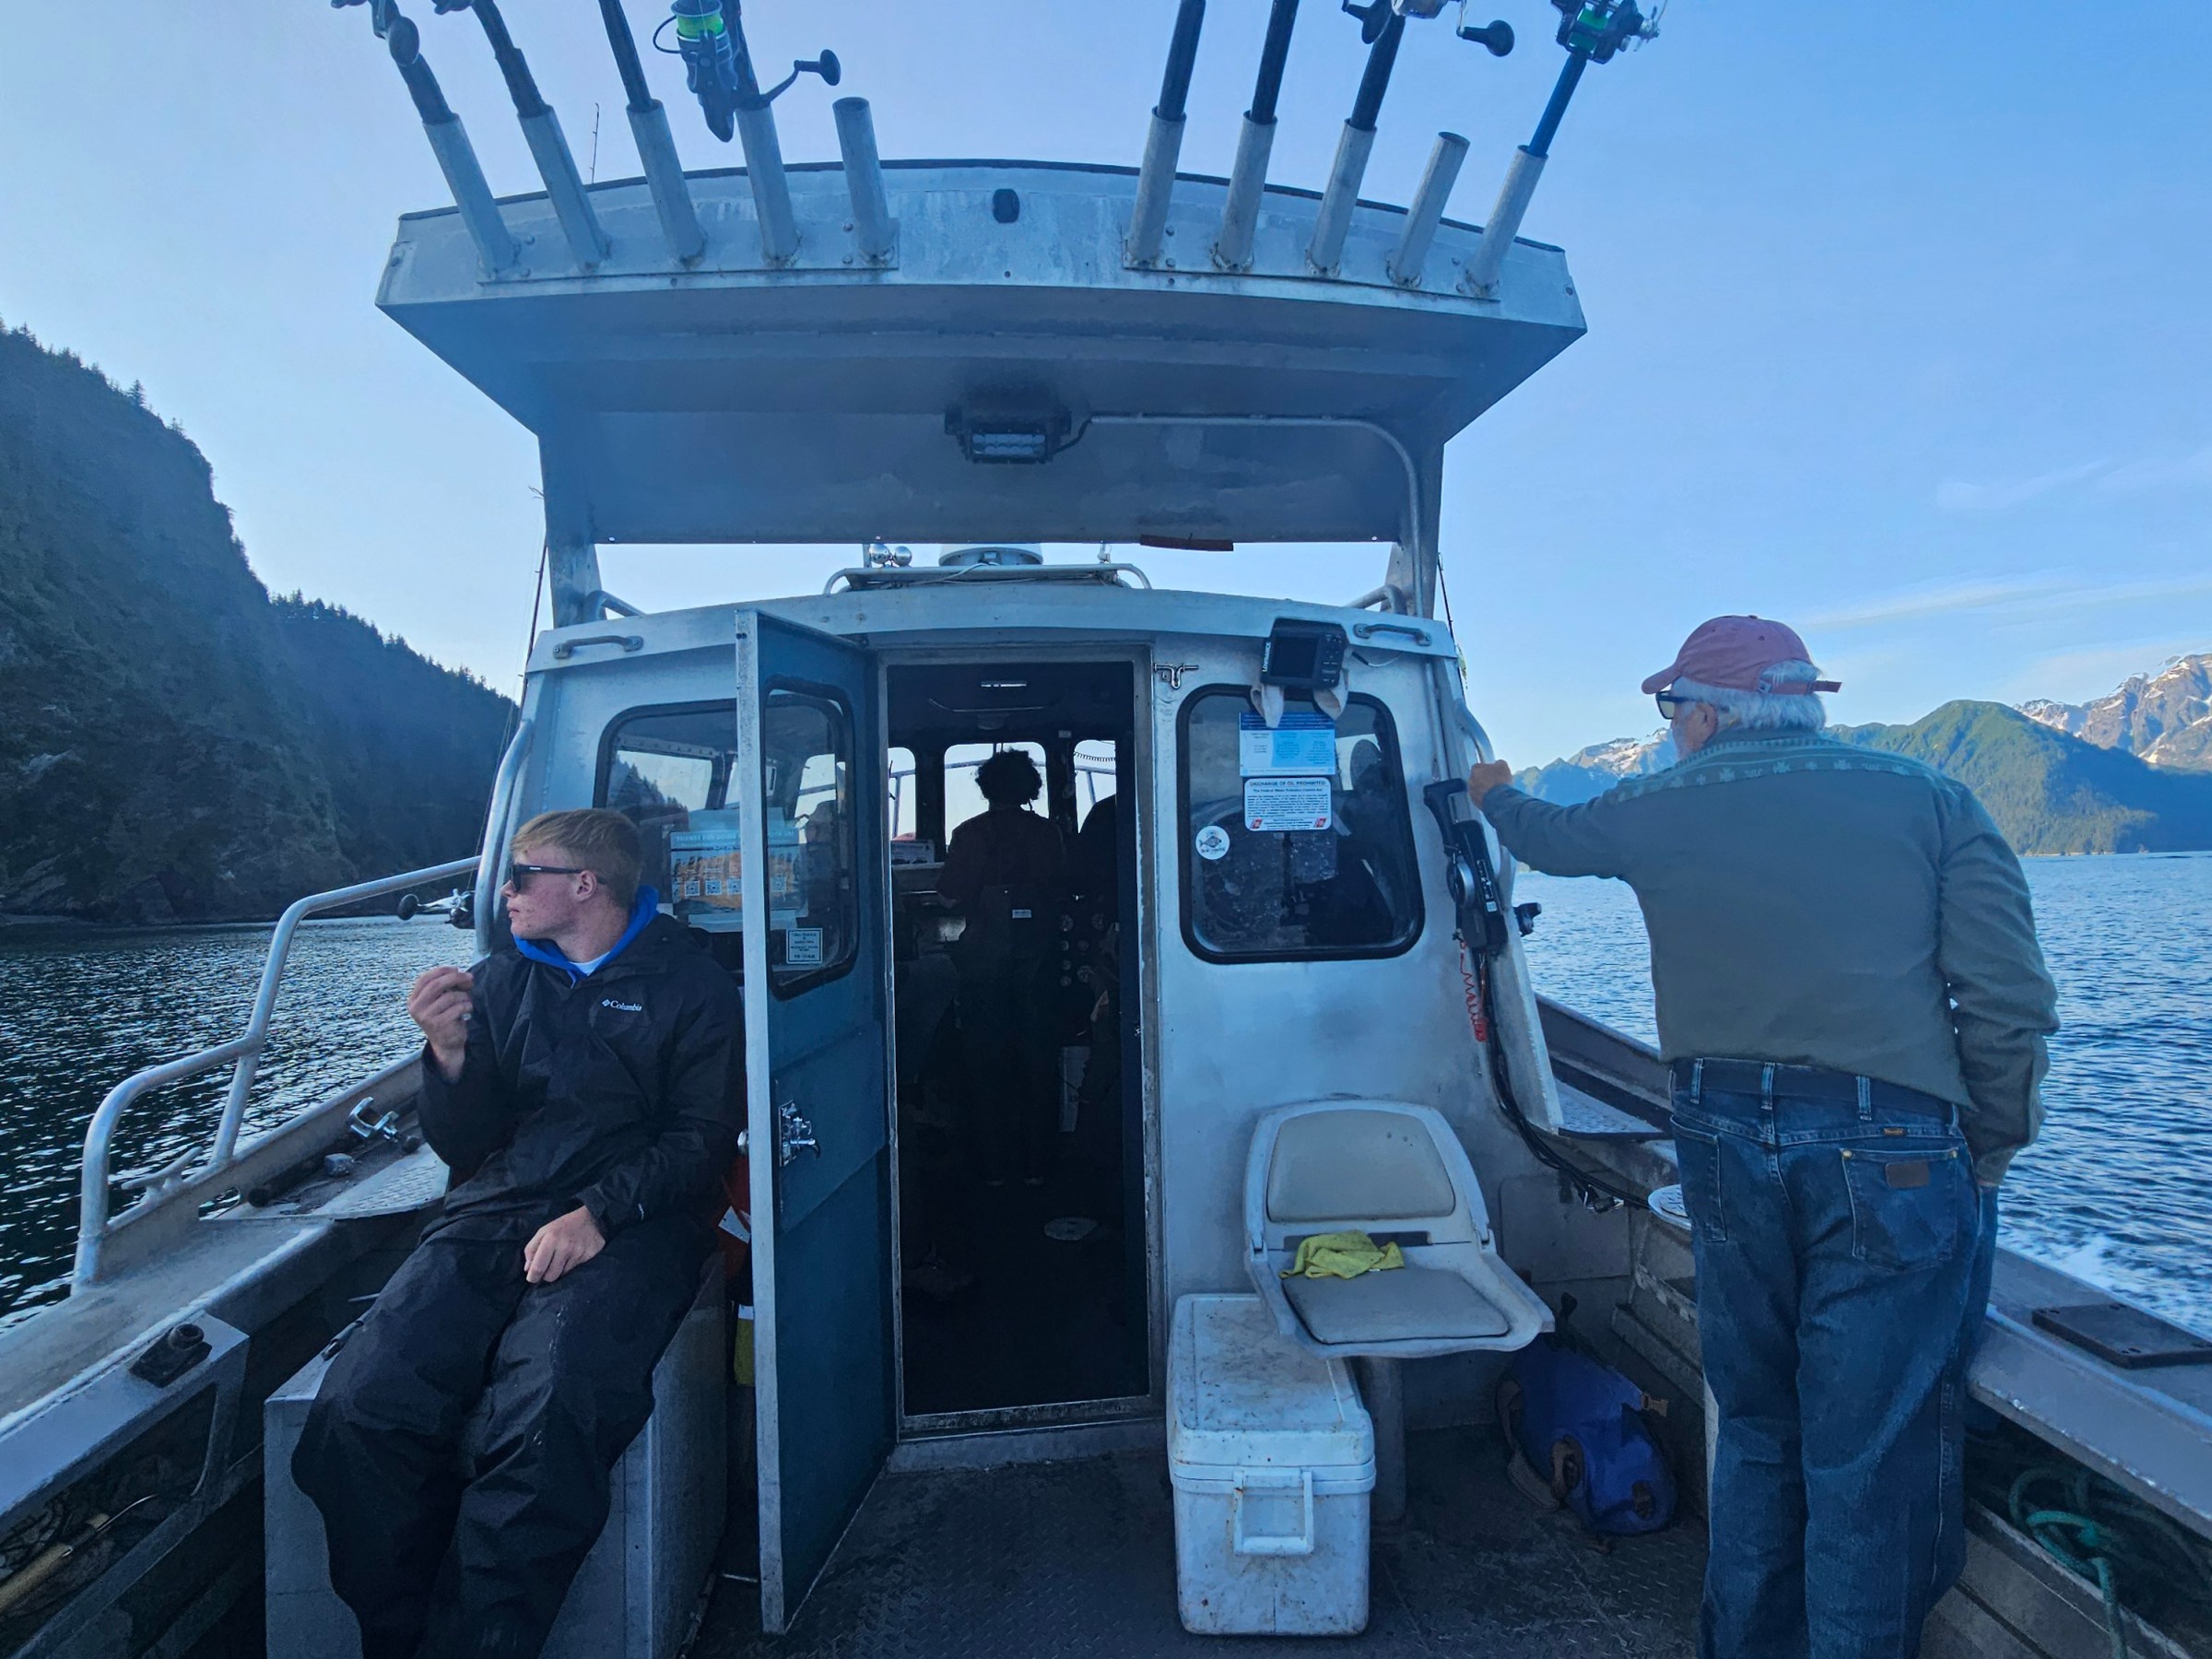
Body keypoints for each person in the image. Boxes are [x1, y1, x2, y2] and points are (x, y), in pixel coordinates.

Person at [1467, 616, 2059, 1659]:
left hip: (1721, 1134)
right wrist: (1993, 1144)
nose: (1668, 730)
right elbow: (2007, 999)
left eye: (1669, 709)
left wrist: (1491, 794)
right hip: (1897, 1148)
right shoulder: (1930, 798)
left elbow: (1546, 839)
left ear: (1707, 711)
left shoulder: (1658, 805)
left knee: (1755, 1427)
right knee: (1871, 1453)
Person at [294, 808, 742, 1659]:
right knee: (357, 1413)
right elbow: (464, 1146)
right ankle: (404, 1639)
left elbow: (701, 1137)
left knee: (548, 1415)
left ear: (585, 885)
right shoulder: (500, 981)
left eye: (520, 875)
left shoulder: (693, 987)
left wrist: (599, 1214)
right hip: (496, 1211)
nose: (502, 894)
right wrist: (448, 1057)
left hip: (638, 1224)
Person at [938, 749, 1065, 1187]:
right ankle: (1041, 1168)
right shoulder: (1049, 834)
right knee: (1040, 1060)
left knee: (986, 1063)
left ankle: (994, 1170)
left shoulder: (970, 834)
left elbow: (951, 895)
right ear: (1030, 788)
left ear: (985, 789)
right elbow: (1063, 887)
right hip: (1041, 960)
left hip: (984, 964)